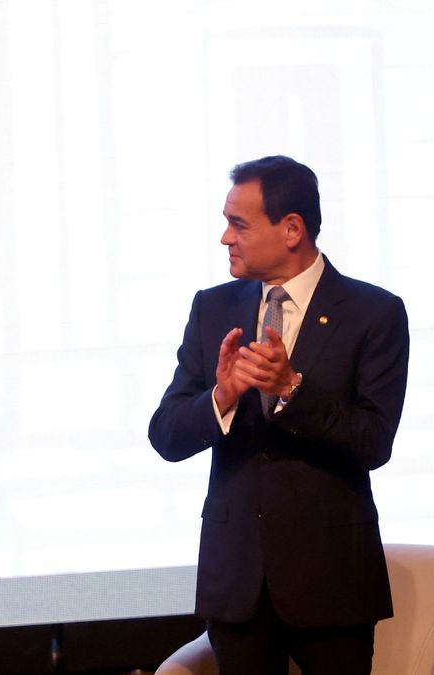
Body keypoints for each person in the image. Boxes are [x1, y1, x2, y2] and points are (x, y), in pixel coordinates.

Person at [148, 155, 409, 674]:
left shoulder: (374, 313)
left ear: (292, 229)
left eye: (238, 224)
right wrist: (220, 398)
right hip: (237, 583)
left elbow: (374, 441)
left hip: (332, 584)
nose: (225, 238)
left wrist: (291, 389)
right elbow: (167, 434)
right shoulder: (212, 308)